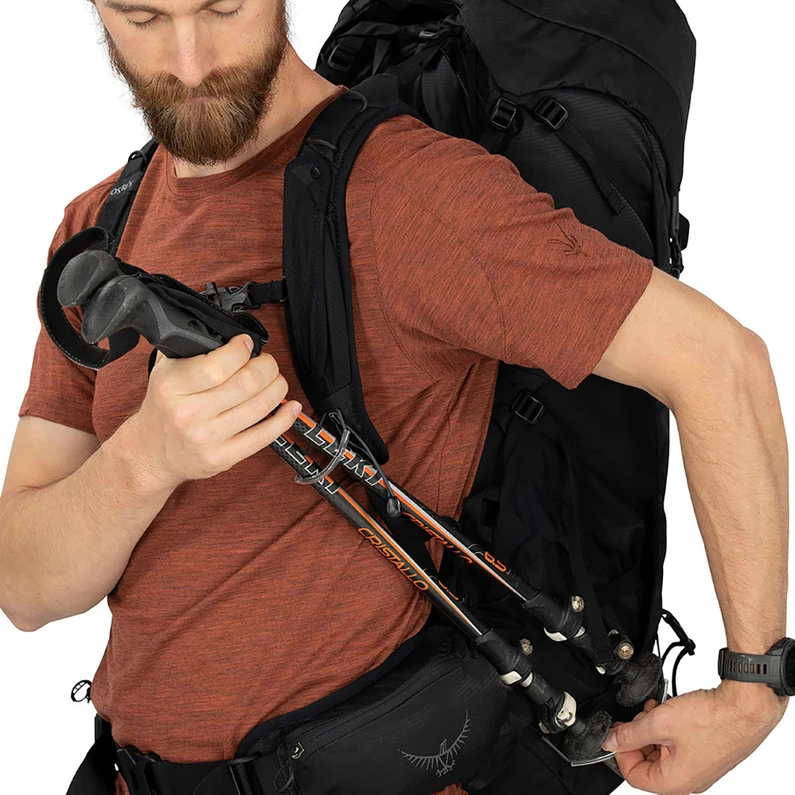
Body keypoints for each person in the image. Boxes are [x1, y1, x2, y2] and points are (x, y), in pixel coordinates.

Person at [0, 1, 789, 794]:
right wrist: (146, 459)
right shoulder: (102, 225)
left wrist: (752, 691)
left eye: (221, 8)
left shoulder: (411, 192)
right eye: (143, 17)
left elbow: (718, 362)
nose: (190, 60)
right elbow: (24, 587)